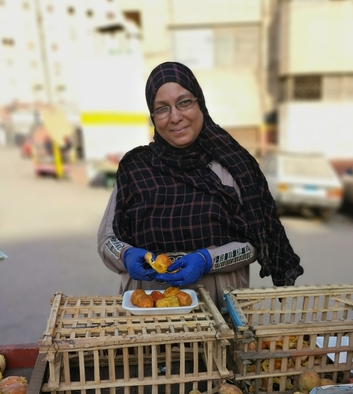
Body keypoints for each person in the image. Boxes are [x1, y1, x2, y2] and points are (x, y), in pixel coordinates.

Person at [98, 61, 303, 308]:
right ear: (153, 117)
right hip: (148, 316)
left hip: (220, 312)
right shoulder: (135, 169)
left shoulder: (235, 166)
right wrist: (125, 254)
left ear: (200, 103)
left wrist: (209, 260)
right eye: (162, 108)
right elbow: (107, 238)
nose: (175, 117)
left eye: (184, 102)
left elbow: (257, 241)